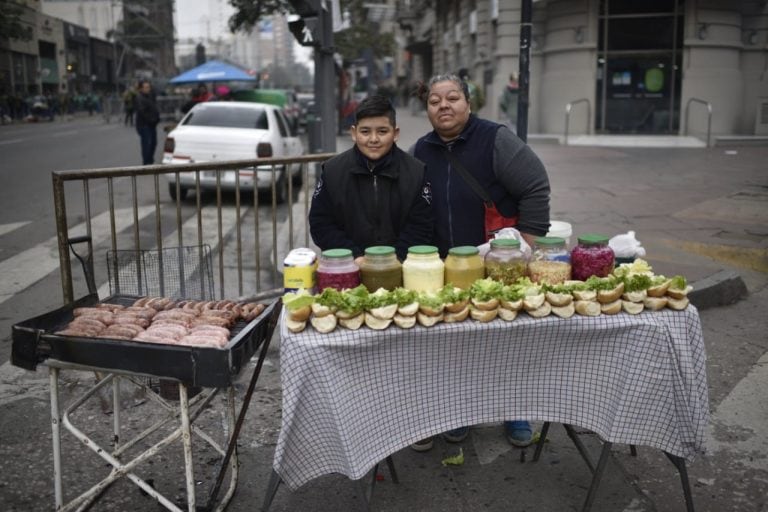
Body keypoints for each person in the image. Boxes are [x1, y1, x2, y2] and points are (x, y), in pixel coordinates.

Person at [410, 73, 551, 451]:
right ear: (427, 109)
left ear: (468, 104)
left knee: (508, 340)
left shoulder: (495, 139)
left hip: (498, 263)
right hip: (446, 267)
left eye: (452, 98)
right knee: (454, 345)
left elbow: (535, 186)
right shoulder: (421, 151)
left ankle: (516, 410)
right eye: (435, 100)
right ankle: (459, 414)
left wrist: (525, 243)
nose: (444, 106)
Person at [309, 94, 433, 261]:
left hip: (401, 269)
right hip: (348, 269)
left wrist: (394, 260)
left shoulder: (416, 172)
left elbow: (421, 225)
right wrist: (355, 256)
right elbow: (321, 224)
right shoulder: (332, 171)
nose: (373, 139)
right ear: (354, 133)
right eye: (365, 131)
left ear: (395, 133)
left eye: (382, 131)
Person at [134, 80, 160, 165]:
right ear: (141, 89)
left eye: (149, 87)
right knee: (147, 144)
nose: (148, 89)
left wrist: (156, 118)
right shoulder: (139, 97)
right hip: (144, 125)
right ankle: (146, 163)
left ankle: (150, 161)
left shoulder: (150, 96)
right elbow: (142, 112)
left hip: (152, 124)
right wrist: (151, 120)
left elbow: (154, 108)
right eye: (146, 87)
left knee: (153, 143)